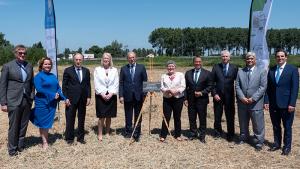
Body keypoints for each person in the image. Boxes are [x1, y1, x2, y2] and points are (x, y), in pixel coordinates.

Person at [0, 45, 34, 156]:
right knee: (14, 125)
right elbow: (3, 85)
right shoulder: (7, 66)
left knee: (23, 124)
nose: (22, 55)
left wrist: (32, 96)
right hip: (13, 100)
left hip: (26, 99)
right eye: (20, 53)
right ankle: (12, 150)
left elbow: (31, 83)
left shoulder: (29, 66)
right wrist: (3, 103)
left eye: (24, 53)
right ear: (15, 54)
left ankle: (20, 145)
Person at [264, 49, 299, 156]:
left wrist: (292, 103)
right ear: (275, 58)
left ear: (286, 57)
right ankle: (277, 143)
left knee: (287, 126)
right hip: (274, 104)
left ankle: (287, 147)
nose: (280, 58)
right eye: (278, 56)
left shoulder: (292, 69)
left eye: (282, 56)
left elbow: (295, 88)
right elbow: (268, 88)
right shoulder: (271, 70)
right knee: (276, 126)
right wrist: (266, 101)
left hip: (287, 104)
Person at [30, 57, 70, 149]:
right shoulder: (38, 76)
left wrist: (65, 98)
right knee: (44, 123)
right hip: (42, 103)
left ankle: (44, 139)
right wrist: (52, 95)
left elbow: (58, 89)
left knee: (46, 122)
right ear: (41, 65)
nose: (48, 65)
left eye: (49, 64)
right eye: (45, 64)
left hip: (52, 103)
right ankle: (45, 142)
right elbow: (39, 89)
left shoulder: (53, 76)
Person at [235, 52, 267, 151]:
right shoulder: (240, 71)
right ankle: (244, 137)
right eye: (248, 59)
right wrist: (242, 97)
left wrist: (253, 98)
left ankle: (259, 141)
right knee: (243, 121)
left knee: (258, 123)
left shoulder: (262, 71)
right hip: (243, 102)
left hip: (256, 103)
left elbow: (263, 87)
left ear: (255, 60)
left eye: (252, 58)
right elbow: (237, 86)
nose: (249, 60)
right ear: (245, 60)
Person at [62, 53, 91, 144]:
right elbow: (64, 86)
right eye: (76, 60)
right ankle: (69, 138)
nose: (78, 61)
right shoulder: (68, 70)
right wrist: (65, 98)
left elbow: (88, 85)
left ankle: (80, 138)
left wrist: (89, 96)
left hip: (83, 99)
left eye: (80, 60)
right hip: (71, 99)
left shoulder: (86, 71)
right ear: (73, 60)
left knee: (81, 118)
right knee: (70, 119)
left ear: (82, 60)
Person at [119, 51, 147, 142]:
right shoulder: (123, 69)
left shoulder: (141, 68)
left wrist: (144, 95)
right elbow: (121, 83)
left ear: (136, 58)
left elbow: (145, 82)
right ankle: (128, 132)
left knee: (138, 115)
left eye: (133, 57)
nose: (131, 59)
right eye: (130, 57)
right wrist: (121, 95)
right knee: (128, 115)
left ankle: (137, 133)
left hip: (139, 96)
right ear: (127, 58)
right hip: (127, 96)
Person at [211, 50, 238, 142]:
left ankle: (230, 134)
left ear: (229, 57)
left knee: (230, 116)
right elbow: (211, 83)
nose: (225, 58)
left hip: (229, 97)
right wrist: (214, 94)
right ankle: (218, 132)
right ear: (221, 57)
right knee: (217, 115)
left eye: (226, 56)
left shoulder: (234, 68)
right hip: (218, 96)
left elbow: (237, 83)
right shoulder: (215, 67)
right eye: (223, 56)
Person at [184, 56, 213, 143]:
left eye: (199, 62)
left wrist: (202, 92)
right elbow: (185, 87)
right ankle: (193, 133)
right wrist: (185, 99)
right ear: (193, 63)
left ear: (201, 62)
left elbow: (210, 86)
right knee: (192, 118)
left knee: (202, 118)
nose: (198, 63)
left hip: (202, 100)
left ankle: (202, 135)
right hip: (191, 100)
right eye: (196, 62)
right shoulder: (188, 73)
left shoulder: (207, 73)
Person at [94, 53, 119, 142]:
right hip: (101, 95)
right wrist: (102, 94)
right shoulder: (97, 69)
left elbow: (116, 83)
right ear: (102, 59)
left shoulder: (114, 70)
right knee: (101, 116)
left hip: (111, 95)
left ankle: (107, 132)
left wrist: (111, 93)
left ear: (110, 59)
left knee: (109, 115)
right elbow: (96, 83)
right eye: (104, 58)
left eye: (107, 58)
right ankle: (100, 133)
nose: (106, 60)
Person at [159, 60, 186, 142]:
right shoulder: (163, 76)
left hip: (178, 98)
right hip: (167, 99)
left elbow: (183, 86)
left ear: (175, 67)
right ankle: (163, 135)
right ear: (167, 67)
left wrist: (176, 91)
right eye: (169, 66)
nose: (171, 67)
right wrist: (168, 91)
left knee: (177, 117)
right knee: (166, 117)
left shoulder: (180, 75)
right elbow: (161, 87)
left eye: (172, 66)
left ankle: (177, 135)